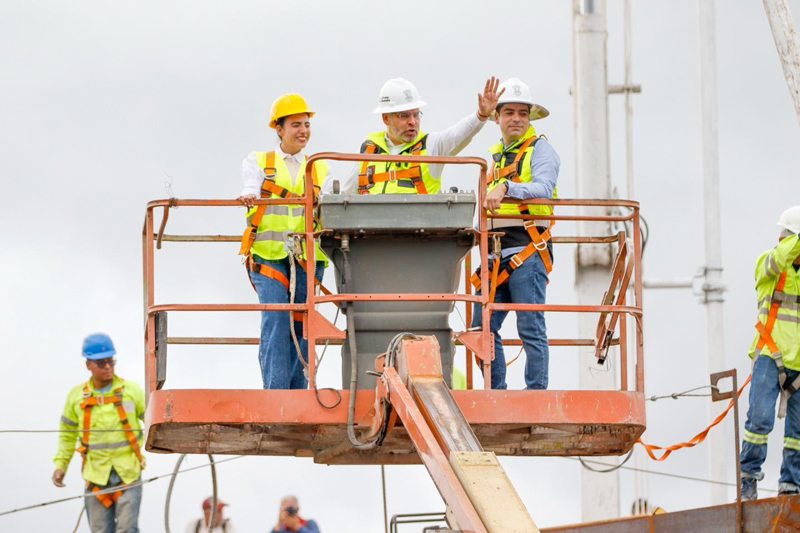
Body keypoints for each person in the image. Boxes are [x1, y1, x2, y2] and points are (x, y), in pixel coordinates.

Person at [470, 77, 559, 390]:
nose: (517, 119)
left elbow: (544, 188)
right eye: (509, 113)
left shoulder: (541, 149)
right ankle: (497, 392)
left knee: (530, 326)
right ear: (497, 117)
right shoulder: (495, 155)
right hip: (494, 253)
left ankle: (535, 393)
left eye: (523, 113)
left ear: (530, 117)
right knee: (480, 326)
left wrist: (508, 187)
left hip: (527, 250)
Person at [238, 93, 331, 389]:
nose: (303, 130)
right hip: (268, 255)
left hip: (306, 258)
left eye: (306, 124)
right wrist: (249, 195)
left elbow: (328, 203)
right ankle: (276, 393)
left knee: (303, 326)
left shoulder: (319, 167)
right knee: (277, 321)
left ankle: (298, 393)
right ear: (279, 129)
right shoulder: (259, 161)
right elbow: (251, 187)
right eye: (296, 125)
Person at [322, 77, 503, 195]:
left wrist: (481, 115)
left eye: (416, 114)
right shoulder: (367, 151)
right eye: (404, 115)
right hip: (372, 239)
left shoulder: (431, 146)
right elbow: (347, 192)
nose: (413, 122)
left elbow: (457, 134)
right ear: (386, 118)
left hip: (420, 239)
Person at [52, 333, 146, 533]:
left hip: (127, 474)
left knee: (128, 529)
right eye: (101, 363)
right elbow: (67, 435)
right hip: (96, 477)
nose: (108, 367)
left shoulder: (131, 391)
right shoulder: (76, 397)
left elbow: (154, 421)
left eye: (111, 361)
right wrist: (61, 465)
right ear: (88, 365)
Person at [740, 206, 800, 500]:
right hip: (769, 356)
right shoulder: (768, 264)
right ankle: (748, 478)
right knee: (759, 421)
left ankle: (790, 485)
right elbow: (780, 257)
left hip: (799, 366)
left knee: (798, 433)